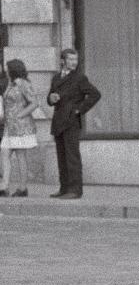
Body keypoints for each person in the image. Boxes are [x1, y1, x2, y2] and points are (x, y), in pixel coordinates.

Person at [46, 49, 101, 200]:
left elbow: (95, 94)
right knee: (61, 156)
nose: (73, 63)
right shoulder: (56, 77)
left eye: (75, 60)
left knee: (72, 157)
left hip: (71, 122)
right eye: (70, 60)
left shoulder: (79, 78)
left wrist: (79, 110)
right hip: (58, 121)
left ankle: (75, 190)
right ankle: (64, 188)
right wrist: (51, 98)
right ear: (62, 61)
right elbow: (49, 99)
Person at [0, 60, 39, 197]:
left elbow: (34, 103)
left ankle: (23, 188)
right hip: (9, 127)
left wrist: (20, 115)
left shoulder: (23, 83)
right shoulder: (10, 85)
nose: (6, 70)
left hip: (21, 127)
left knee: (21, 155)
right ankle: (4, 186)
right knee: (4, 152)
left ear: (13, 69)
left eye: (7, 68)